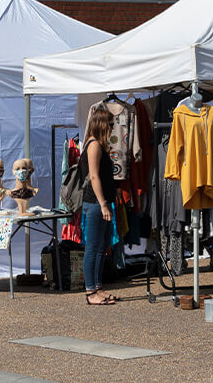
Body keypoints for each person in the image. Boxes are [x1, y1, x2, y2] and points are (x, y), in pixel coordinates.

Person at [81, 105, 118, 306]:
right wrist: (103, 204)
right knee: (93, 246)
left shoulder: (99, 145)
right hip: (95, 202)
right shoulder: (94, 145)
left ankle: (97, 287)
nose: (112, 128)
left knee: (102, 246)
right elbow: (94, 176)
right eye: (110, 124)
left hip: (102, 202)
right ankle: (90, 291)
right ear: (102, 125)